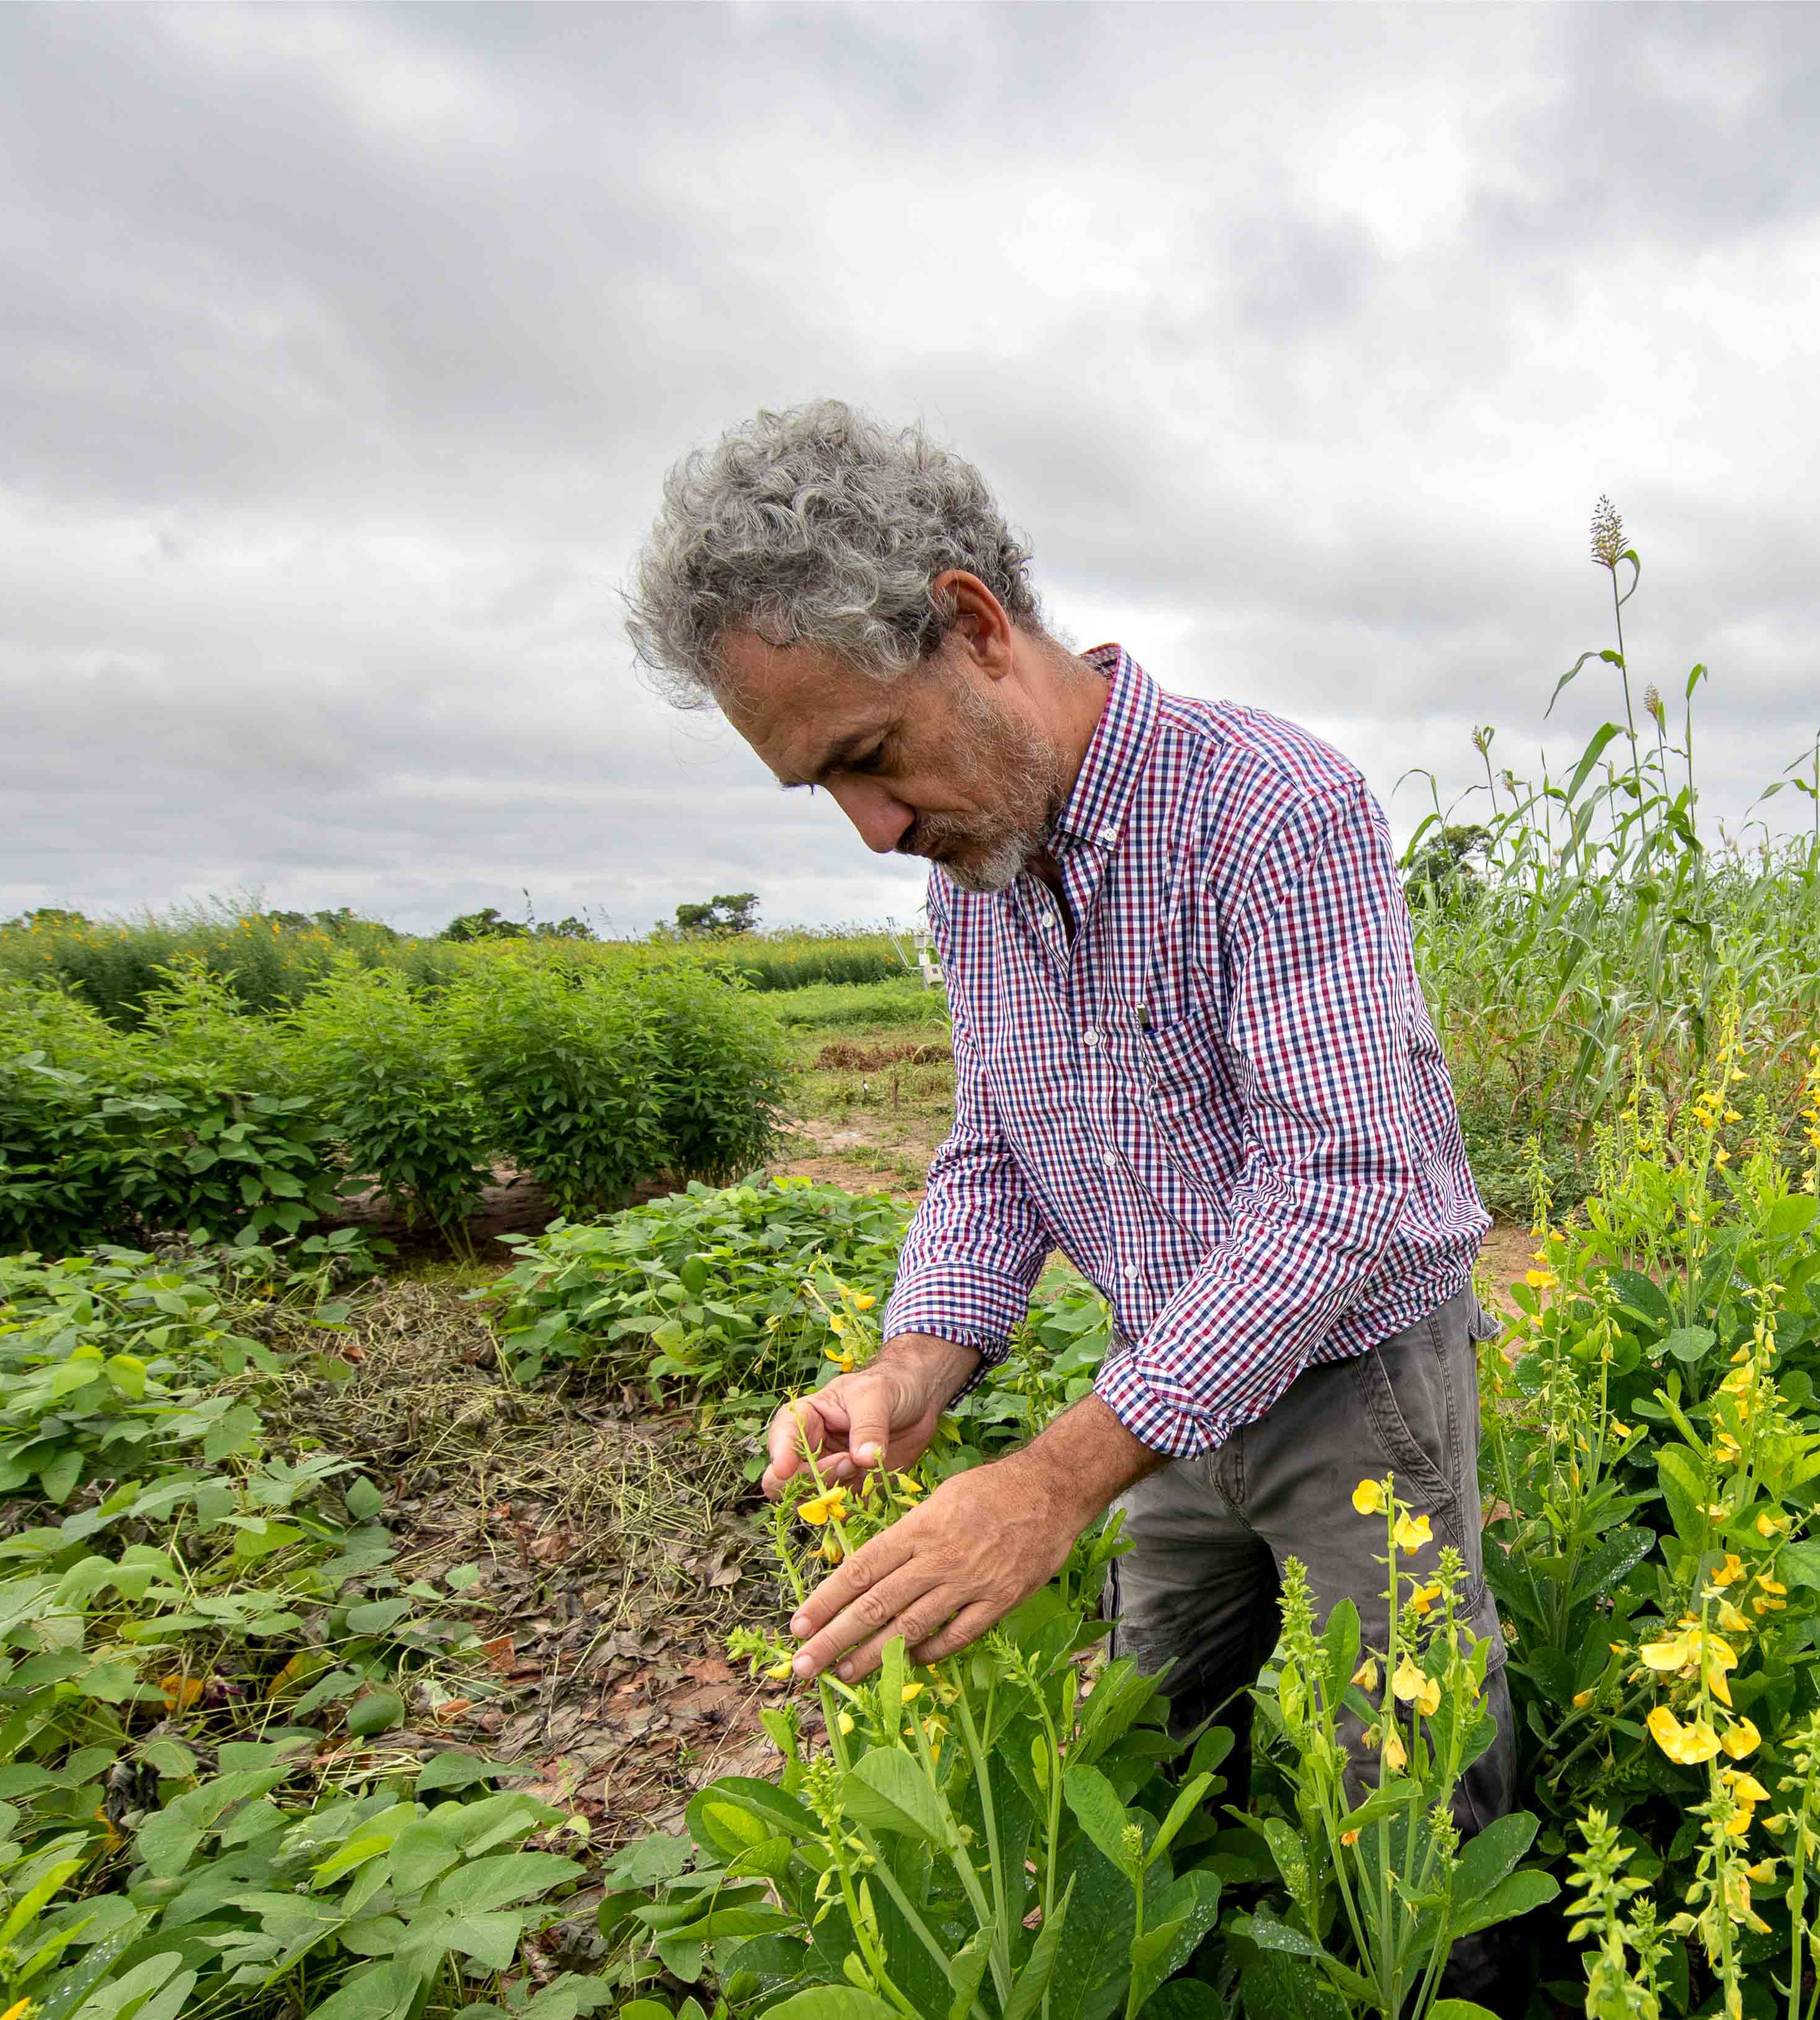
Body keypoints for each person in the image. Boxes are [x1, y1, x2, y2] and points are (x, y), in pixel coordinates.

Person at [624, 399, 1514, 1828]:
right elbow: (998, 1148)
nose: (875, 827)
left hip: (1352, 1384)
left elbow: (1342, 1183)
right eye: (823, 790)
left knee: (1403, 1777)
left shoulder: (1269, 808)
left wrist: (1051, 1480)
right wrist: (913, 1366)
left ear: (973, 626)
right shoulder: (973, 871)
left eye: (868, 752)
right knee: (1152, 1746)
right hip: (1157, 1384)